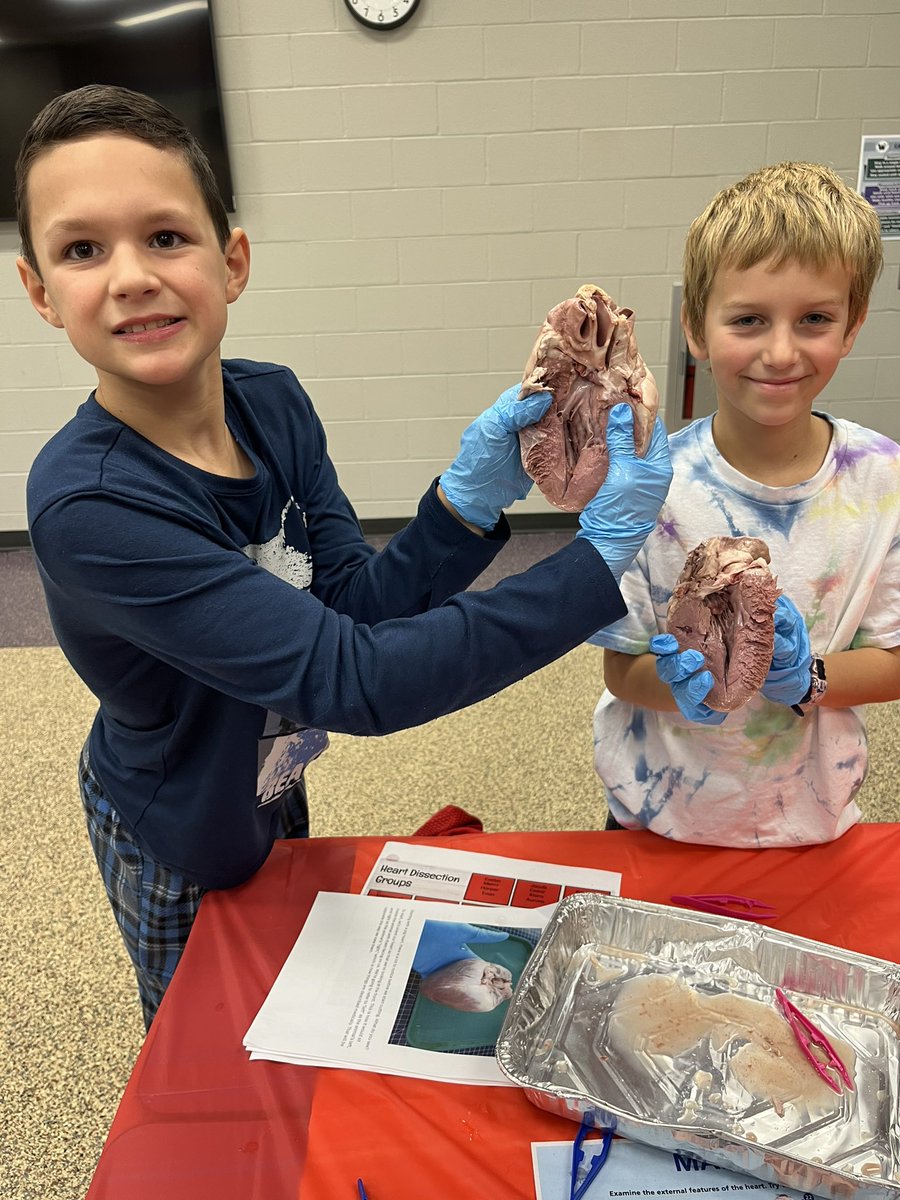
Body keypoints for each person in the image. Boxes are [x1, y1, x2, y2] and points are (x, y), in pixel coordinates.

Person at [16, 84, 672, 1027]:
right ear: (41, 291)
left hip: (269, 770)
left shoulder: (272, 402)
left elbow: (352, 609)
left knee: (288, 991)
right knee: (204, 1039)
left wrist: (462, 502)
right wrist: (594, 562)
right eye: (83, 249)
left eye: (166, 236)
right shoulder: (93, 504)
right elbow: (361, 678)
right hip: (180, 817)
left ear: (230, 261)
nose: (130, 276)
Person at [590, 161, 900, 848]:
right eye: (750, 320)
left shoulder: (883, 482)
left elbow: (892, 659)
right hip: (659, 808)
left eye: (815, 318)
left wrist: (806, 677)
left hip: (808, 810)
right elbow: (622, 665)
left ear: (851, 328)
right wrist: (685, 687)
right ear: (696, 329)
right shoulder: (653, 489)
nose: (782, 351)